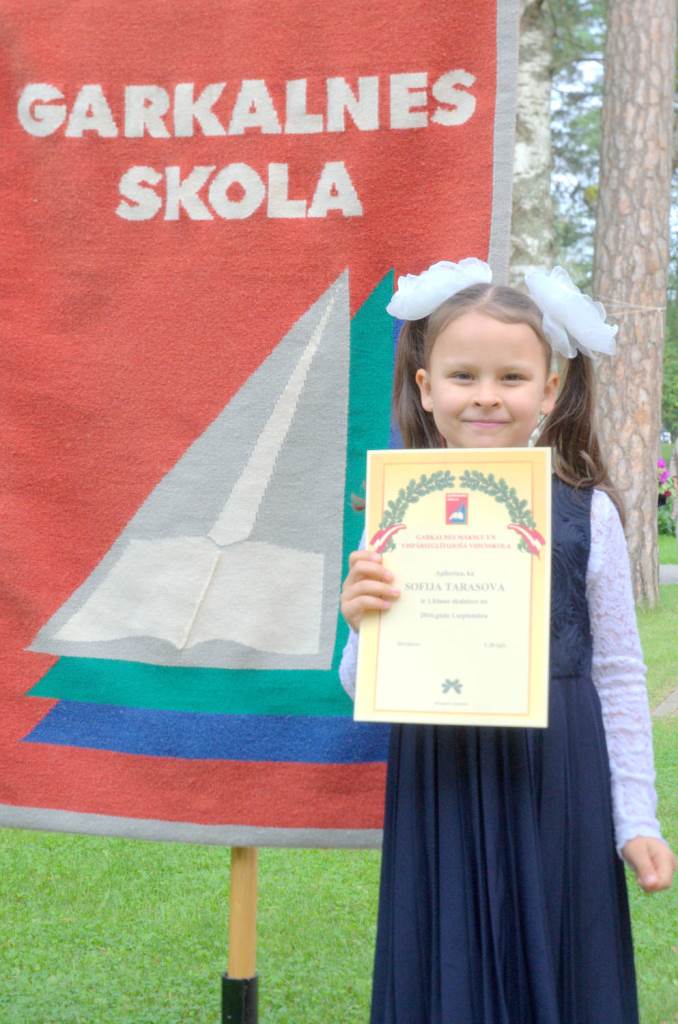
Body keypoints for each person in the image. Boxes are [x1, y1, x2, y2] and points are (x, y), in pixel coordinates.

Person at [338, 259, 676, 1024]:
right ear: (426, 388)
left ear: (549, 390)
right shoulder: (400, 512)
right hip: (443, 774)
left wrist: (636, 819)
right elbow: (363, 684)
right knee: (447, 966)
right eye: (463, 375)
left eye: (511, 377)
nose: (487, 395)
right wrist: (360, 624)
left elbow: (620, 671)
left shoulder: (586, 512)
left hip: (556, 769)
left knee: (558, 958)